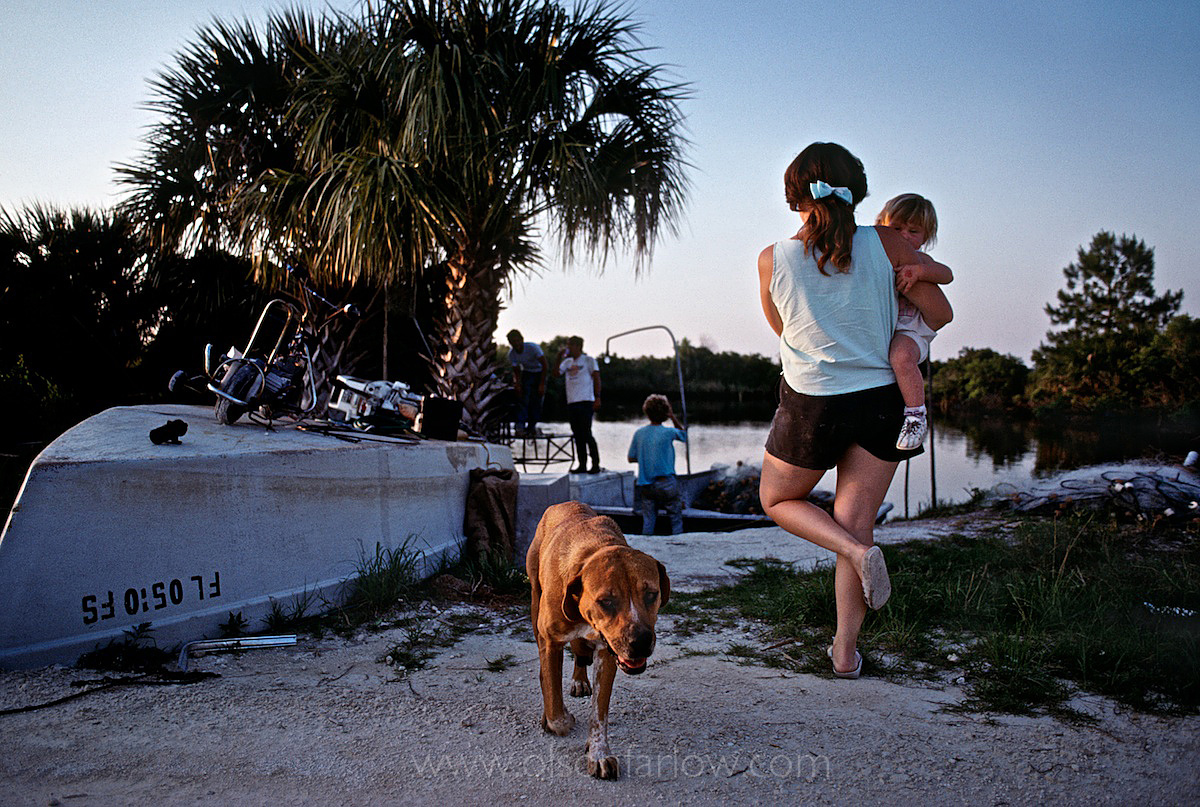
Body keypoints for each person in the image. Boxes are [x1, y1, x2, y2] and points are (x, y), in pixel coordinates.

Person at [757, 142, 952, 679]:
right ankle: (845, 654)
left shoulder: (772, 258)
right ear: (856, 192)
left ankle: (852, 552)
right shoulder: (889, 243)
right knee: (857, 522)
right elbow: (941, 313)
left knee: (775, 498)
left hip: (812, 402)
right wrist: (906, 281)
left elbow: (783, 329)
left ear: (796, 196)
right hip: (883, 399)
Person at [875, 194, 953, 449]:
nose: (904, 235)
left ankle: (915, 415)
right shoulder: (877, 259)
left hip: (912, 330)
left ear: (926, 238)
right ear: (881, 225)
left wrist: (920, 272)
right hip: (886, 329)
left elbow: (947, 275)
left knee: (901, 357)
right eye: (896, 228)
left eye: (913, 231)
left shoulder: (921, 261)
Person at [627, 394, 688, 534]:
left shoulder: (639, 433)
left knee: (648, 520)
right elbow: (684, 436)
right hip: (666, 483)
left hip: (645, 484)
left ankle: (647, 547)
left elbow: (631, 458)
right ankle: (679, 543)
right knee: (675, 518)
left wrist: (646, 457)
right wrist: (673, 417)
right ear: (665, 413)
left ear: (647, 413)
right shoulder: (669, 432)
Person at [554, 335, 602, 473]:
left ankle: (595, 464)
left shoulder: (589, 360)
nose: (568, 348)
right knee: (577, 434)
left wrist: (597, 397)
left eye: (570, 345)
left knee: (586, 433)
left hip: (586, 401)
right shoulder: (567, 362)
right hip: (572, 402)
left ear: (578, 346)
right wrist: (558, 358)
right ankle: (582, 464)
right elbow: (556, 374)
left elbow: (597, 378)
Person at [506, 329, 548, 437]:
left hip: (539, 372)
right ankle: (520, 426)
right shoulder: (512, 354)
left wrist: (542, 384)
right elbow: (516, 371)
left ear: (522, 340)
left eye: (517, 341)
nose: (516, 344)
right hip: (527, 373)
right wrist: (518, 384)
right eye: (513, 342)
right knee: (523, 400)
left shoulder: (533, 348)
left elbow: (544, 365)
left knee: (537, 400)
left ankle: (531, 426)